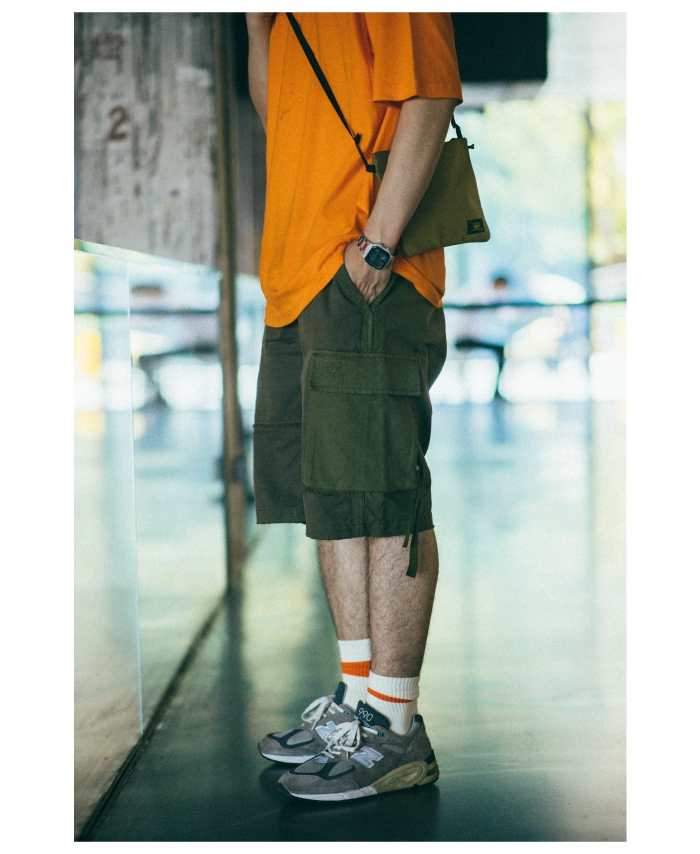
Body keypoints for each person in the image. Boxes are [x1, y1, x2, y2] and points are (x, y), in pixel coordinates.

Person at [246, 12, 462, 801]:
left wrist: (376, 247)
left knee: (383, 498)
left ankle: (395, 727)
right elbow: (277, 117)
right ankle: (359, 700)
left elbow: (430, 95)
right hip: (298, 279)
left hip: (367, 270)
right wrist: (258, 25)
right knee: (336, 499)